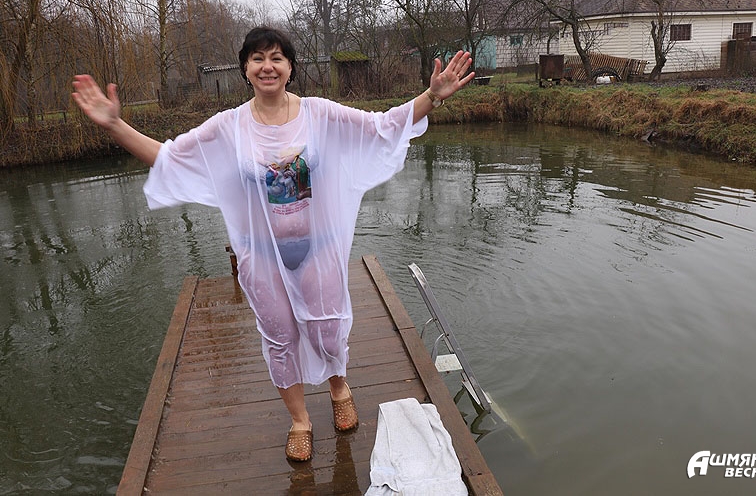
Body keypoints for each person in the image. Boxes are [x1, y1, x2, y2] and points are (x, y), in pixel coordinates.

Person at [71, 26, 475, 462]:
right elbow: (170, 158)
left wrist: (431, 96)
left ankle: (339, 388)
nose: (268, 66)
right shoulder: (228, 127)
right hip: (262, 258)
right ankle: (300, 421)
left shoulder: (319, 114)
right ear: (245, 68)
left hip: (317, 249)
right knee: (280, 337)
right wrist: (115, 125)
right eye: (258, 58)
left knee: (327, 328)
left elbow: (382, 127)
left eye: (277, 57)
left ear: (290, 68)